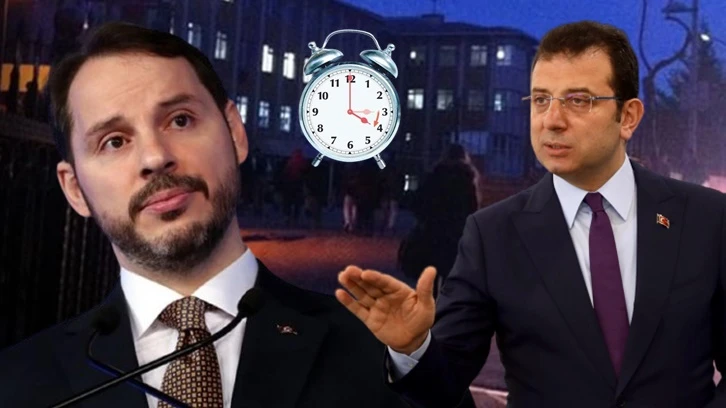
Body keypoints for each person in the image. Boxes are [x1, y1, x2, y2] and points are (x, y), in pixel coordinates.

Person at [0, 22, 407, 408]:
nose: (155, 157)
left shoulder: (382, 353)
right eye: (114, 141)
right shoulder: (17, 382)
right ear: (74, 189)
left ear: (235, 133)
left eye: (180, 120)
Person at [337, 20, 726, 408]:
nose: (552, 120)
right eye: (541, 100)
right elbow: (444, 383)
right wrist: (412, 348)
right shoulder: (493, 234)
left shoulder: (707, 219)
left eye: (578, 100)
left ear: (627, 117)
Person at [398, 143, 478, 296]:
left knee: (431, 272)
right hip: (456, 231)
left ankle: (432, 301)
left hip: (433, 230)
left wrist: (424, 219)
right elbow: (472, 207)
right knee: (451, 271)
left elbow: (420, 201)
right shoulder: (467, 178)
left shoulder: (435, 175)